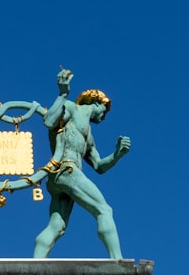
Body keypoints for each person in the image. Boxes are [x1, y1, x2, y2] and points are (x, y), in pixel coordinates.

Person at [33, 68, 131, 259]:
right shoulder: (71, 108)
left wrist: (117, 154)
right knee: (104, 209)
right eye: (104, 109)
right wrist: (62, 93)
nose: (104, 116)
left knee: (57, 227)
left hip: (61, 176)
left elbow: (99, 166)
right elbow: (49, 120)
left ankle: (35, 264)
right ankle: (117, 260)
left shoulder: (88, 135)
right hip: (67, 168)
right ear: (96, 102)